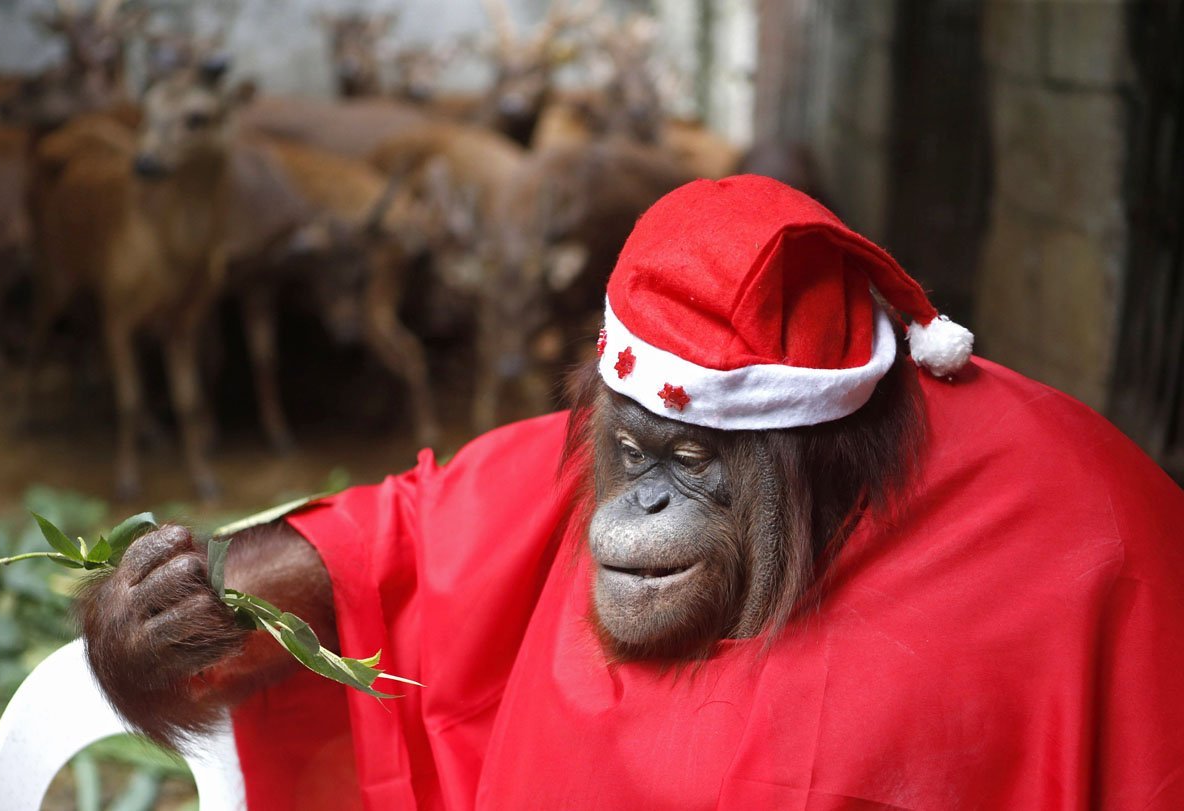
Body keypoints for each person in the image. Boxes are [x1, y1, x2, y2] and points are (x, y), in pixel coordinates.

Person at [84, 176, 1184, 810]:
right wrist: (169, 616)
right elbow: (397, 544)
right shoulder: (592, 457)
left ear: (817, 453)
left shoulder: (1069, 512)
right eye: (636, 454)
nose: (637, 511)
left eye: (695, 465)